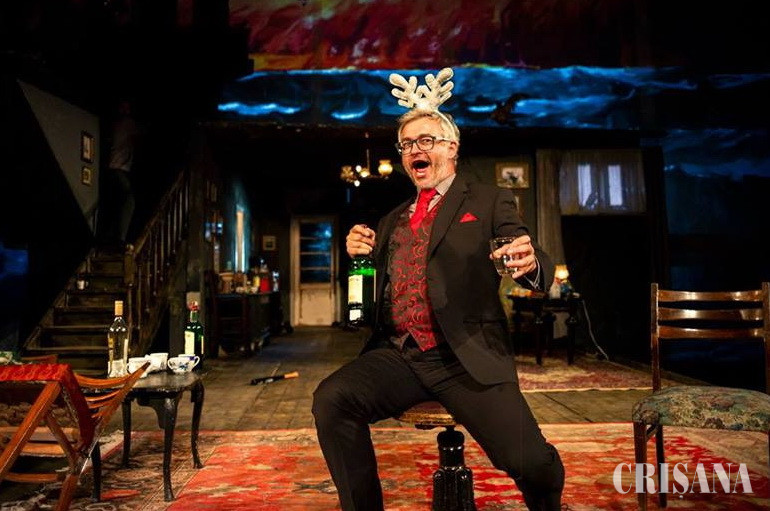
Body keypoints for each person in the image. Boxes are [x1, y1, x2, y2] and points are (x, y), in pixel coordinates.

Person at [312, 68, 565, 510]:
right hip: (400, 355)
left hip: (464, 356)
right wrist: (359, 255)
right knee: (332, 399)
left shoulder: (488, 201)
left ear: (451, 147)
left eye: (426, 140)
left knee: (528, 461)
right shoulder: (391, 219)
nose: (415, 150)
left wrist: (529, 264)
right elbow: (381, 289)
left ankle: (546, 486)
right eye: (407, 144)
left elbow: (527, 253)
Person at [98, 98, 139, 247]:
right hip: (118, 168)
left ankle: (111, 237)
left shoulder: (115, 124)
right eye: (124, 108)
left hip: (114, 168)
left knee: (118, 202)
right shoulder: (127, 123)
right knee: (129, 199)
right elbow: (140, 134)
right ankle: (119, 238)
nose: (126, 111)